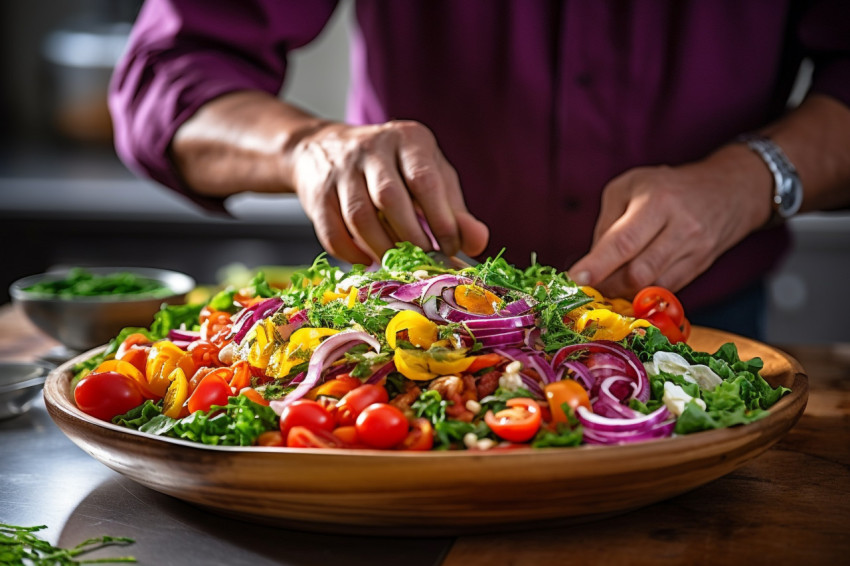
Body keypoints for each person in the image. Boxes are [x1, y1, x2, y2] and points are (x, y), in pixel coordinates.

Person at [109, 0, 850, 338]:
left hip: (694, 328)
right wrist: (307, 146)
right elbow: (170, 74)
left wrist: (753, 177)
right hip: (398, 334)